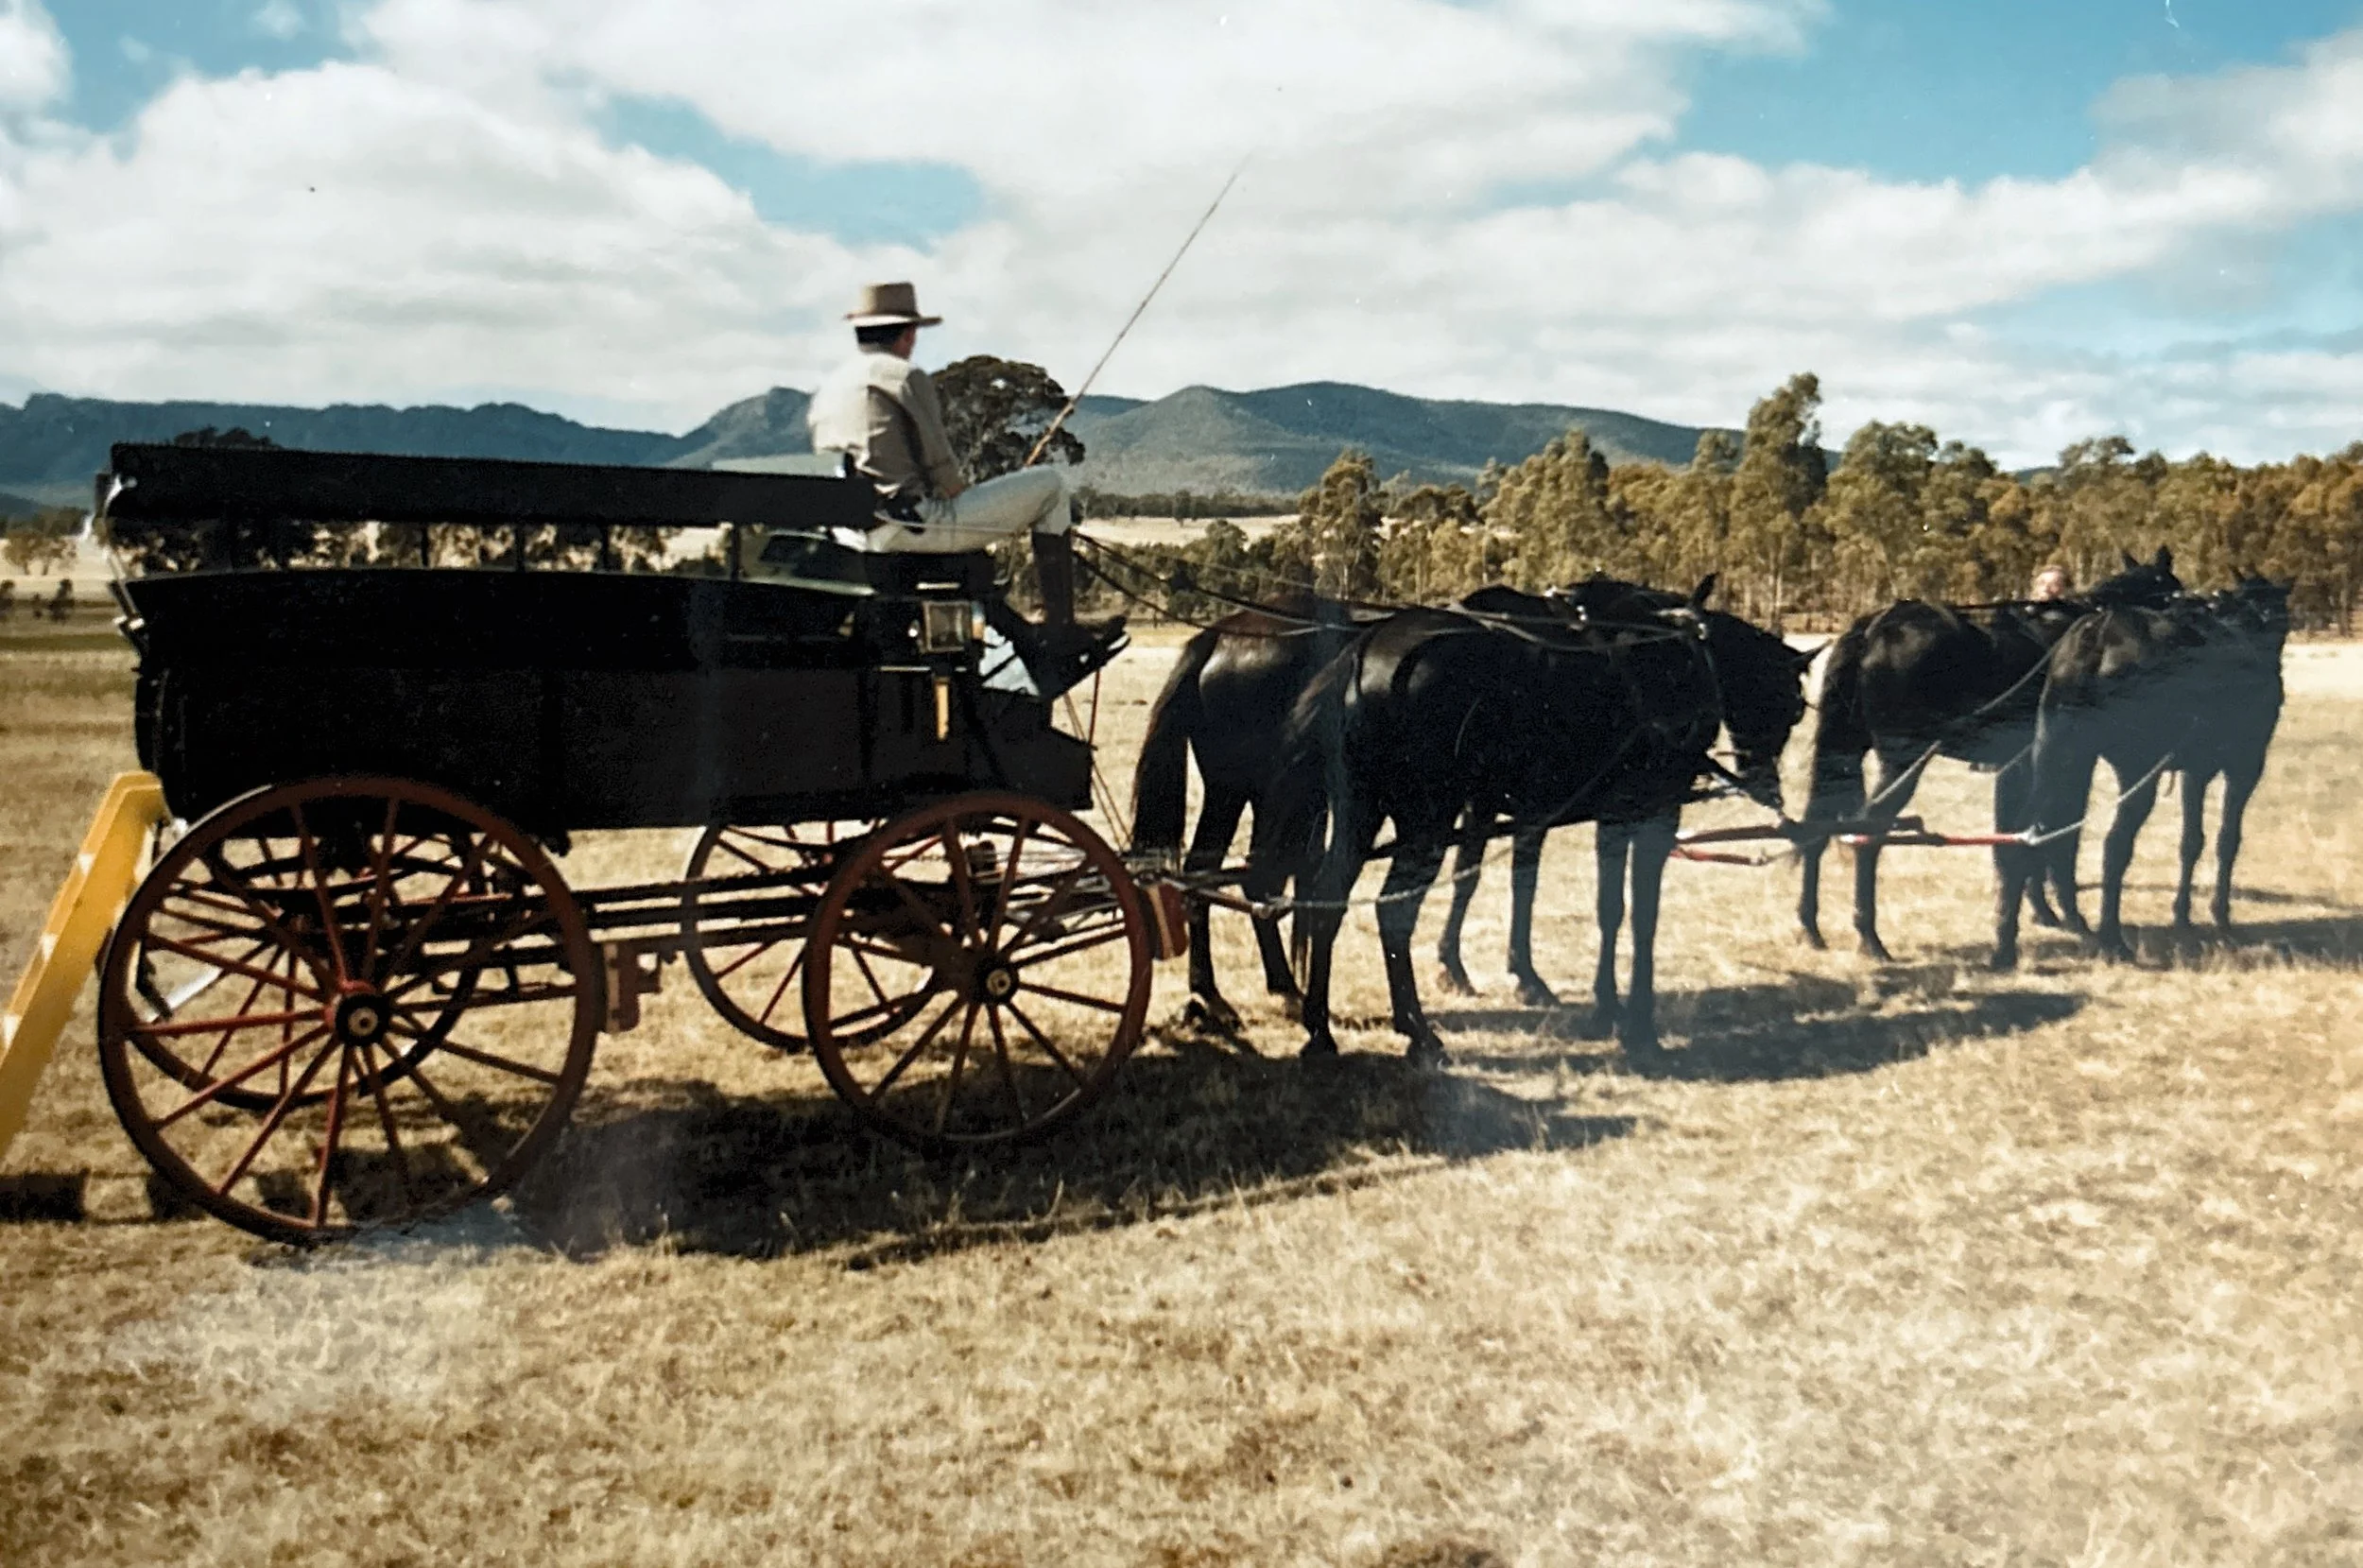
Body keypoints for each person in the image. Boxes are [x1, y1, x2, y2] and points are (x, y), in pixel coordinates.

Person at [807, 281, 1123, 689]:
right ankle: (1059, 630)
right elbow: (945, 476)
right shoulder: (903, 377)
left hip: (854, 535)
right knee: (1050, 485)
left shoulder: (831, 389)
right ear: (908, 334)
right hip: (912, 525)